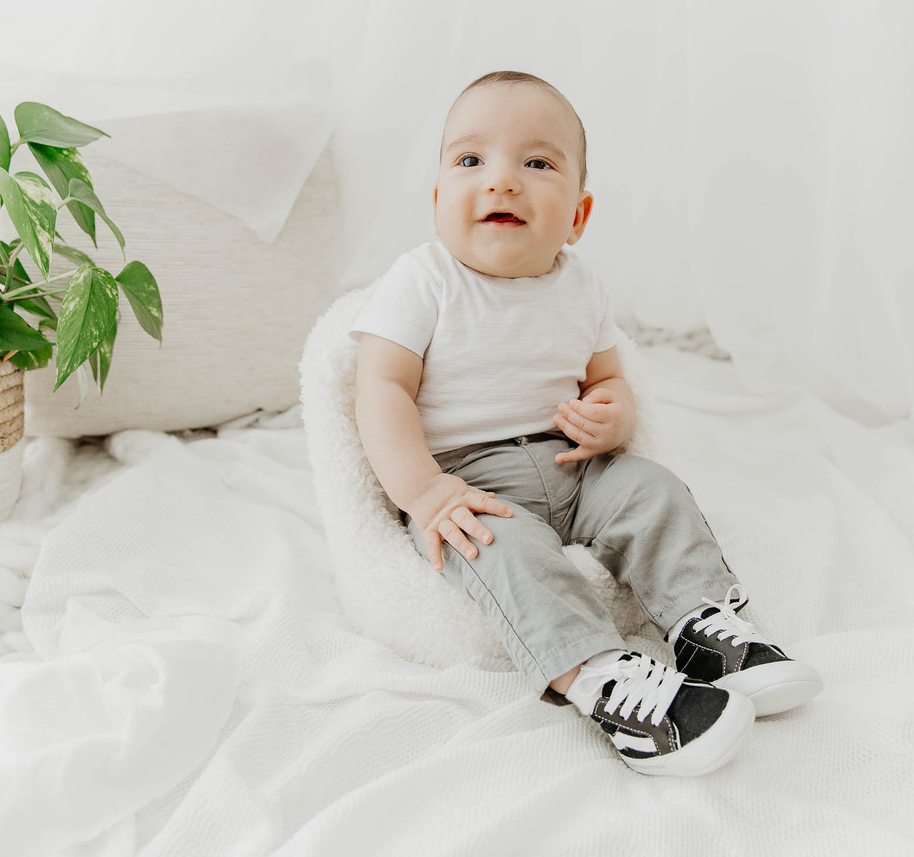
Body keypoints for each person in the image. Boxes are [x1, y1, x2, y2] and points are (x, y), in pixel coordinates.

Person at [351, 70, 822, 776]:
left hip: (573, 464)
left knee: (653, 490)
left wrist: (612, 414)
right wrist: (424, 493)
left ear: (578, 214)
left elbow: (606, 377)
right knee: (503, 551)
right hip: (469, 483)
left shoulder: (581, 286)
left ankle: (705, 630)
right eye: (471, 159)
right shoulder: (424, 280)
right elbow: (381, 388)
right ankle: (605, 678)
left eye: (537, 163)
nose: (502, 180)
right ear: (439, 199)